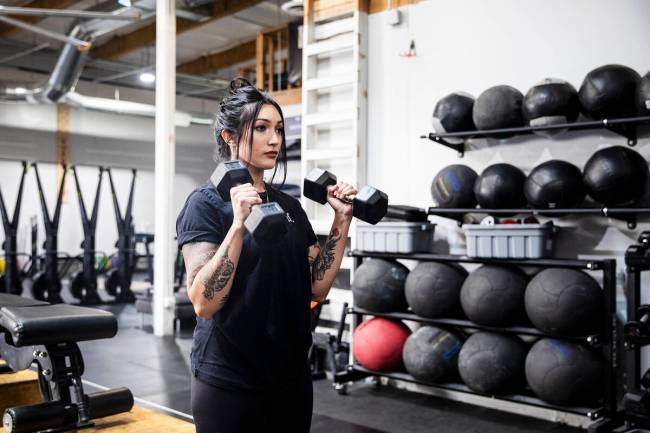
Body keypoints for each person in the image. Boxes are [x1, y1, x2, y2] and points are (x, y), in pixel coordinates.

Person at [176, 78, 356, 433]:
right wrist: (238, 224)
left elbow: (317, 288)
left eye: (278, 129)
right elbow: (203, 302)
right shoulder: (205, 204)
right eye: (260, 129)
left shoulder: (289, 205)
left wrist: (341, 220)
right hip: (229, 381)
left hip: (290, 379)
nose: (274, 140)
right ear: (229, 136)